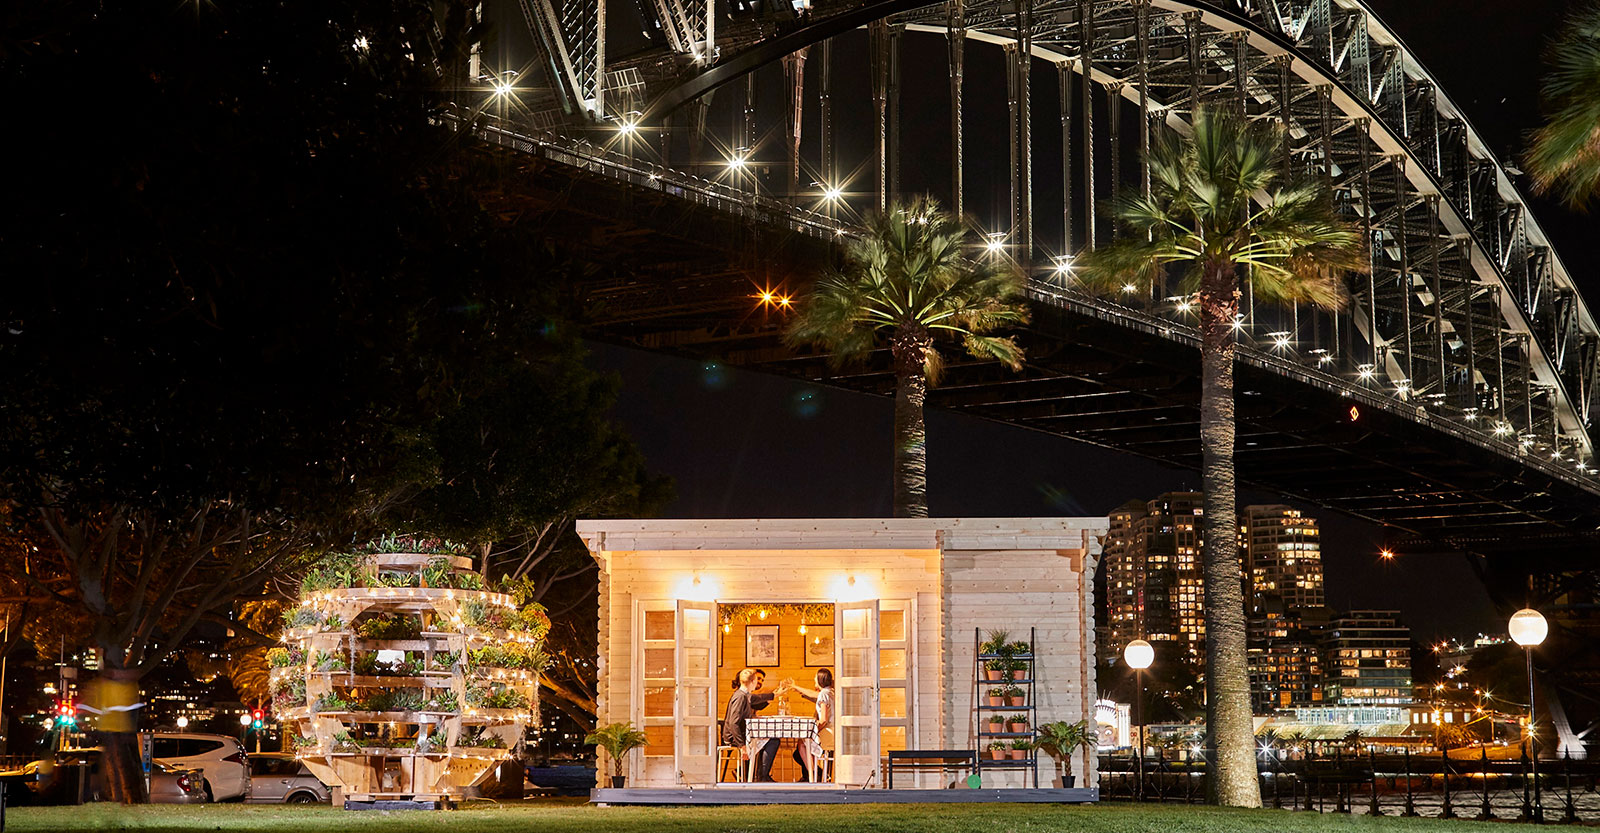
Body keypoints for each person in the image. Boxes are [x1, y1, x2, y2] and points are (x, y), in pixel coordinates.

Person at [723, 667, 783, 781]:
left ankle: (759, 775)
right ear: (752, 681)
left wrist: (774, 694)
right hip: (735, 737)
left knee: (770, 739)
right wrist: (742, 746)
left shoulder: (744, 694)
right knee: (773, 740)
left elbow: (757, 698)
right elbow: (733, 723)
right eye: (757, 680)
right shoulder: (740, 697)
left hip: (741, 734)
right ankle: (762, 777)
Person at [786, 668, 834, 782]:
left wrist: (813, 730)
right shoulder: (831, 692)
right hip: (834, 731)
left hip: (828, 732)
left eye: (815, 677)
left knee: (803, 742)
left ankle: (813, 775)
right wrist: (796, 688)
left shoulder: (823, 694)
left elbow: (823, 720)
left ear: (820, 679)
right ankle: (815, 774)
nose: (814, 679)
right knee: (804, 742)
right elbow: (812, 694)